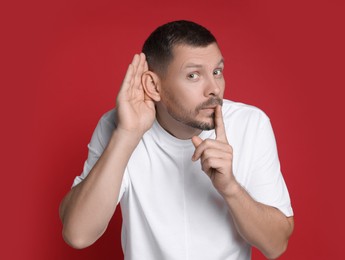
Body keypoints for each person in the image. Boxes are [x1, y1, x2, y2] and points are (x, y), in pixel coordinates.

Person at [59, 20, 294, 260]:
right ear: (153, 85)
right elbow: (78, 234)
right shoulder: (118, 126)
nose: (214, 89)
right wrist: (126, 135)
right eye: (193, 75)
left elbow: (276, 245)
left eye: (217, 72)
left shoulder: (250, 124)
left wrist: (230, 188)